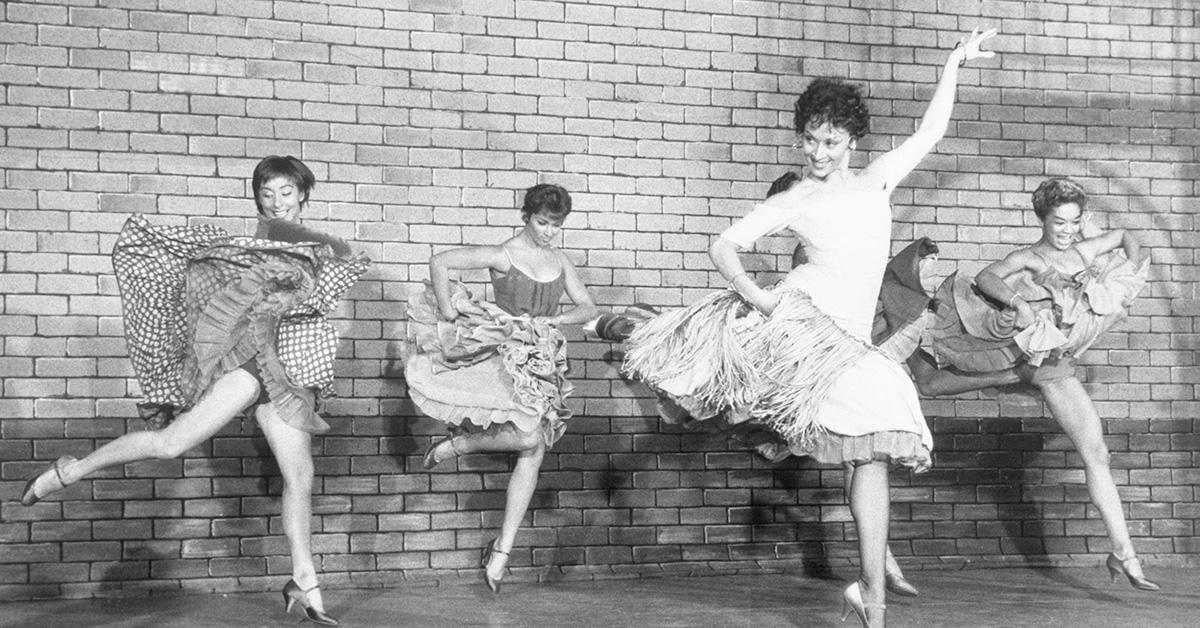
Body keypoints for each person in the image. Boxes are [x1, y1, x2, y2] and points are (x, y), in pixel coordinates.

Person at [624, 29, 998, 628]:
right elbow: (724, 246)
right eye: (810, 140)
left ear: (852, 139)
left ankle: (870, 595)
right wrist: (760, 302)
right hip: (802, 328)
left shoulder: (878, 179)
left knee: (872, 455)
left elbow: (931, 133)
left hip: (848, 345)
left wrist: (953, 62)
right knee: (713, 388)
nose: (818, 152)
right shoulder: (795, 197)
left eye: (831, 141)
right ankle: (622, 327)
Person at [20, 156, 368, 626]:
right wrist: (328, 257)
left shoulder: (301, 247)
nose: (277, 203)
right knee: (170, 445)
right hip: (255, 364)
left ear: (303, 193)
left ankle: (304, 581)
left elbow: (329, 270)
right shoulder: (272, 240)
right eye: (267, 195)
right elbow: (334, 251)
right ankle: (70, 471)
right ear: (259, 201)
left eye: (286, 192)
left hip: (291, 377)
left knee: (300, 478)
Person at [908, 177, 1157, 591]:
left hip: (1060, 362)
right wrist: (1019, 304)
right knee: (936, 381)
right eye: (1059, 222)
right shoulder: (1031, 258)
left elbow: (1127, 236)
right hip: (1039, 357)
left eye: (1075, 222)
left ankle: (1123, 552)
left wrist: (1124, 277)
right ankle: (1124, 551)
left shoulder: (1084, 248)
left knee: (1097, 452)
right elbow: (987, 277)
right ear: (1043, 218)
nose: (1067, 231)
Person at [404, 183, 599, 593]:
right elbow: (440, 262)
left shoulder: (559, 259)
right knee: (529, 435)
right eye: (543, 223)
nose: (548, 232)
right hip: (505, 359)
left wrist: (555, 322)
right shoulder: (503, 254)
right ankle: (458, 446)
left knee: (534, 447)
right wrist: (447, 313)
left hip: (543, 358)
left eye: (556, 225)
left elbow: (586, 307)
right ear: (526, 216)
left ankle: (502, 550)